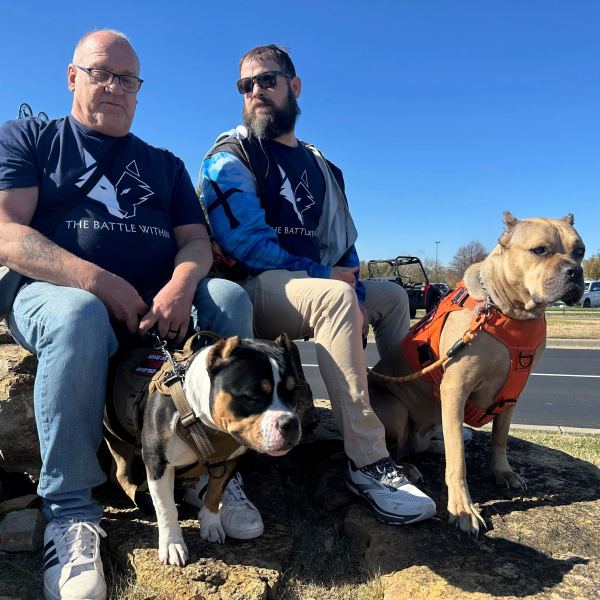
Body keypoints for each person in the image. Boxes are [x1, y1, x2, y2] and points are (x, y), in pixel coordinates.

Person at [0, 30, 257, 600]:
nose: (116, 87)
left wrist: (182, 285)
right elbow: (7, 232)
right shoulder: (30, 139)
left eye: (128, 79)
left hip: (155, 304)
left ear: (140, 90)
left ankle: (217, 474)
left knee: (232, 300)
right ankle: (69, 511)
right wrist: (99, 281)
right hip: (54, 295)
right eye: (102, 73)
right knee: (78, 315)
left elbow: (194, 242)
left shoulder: (163, 165)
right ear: (73, 77)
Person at [200, 44, 437, 528]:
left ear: (294, 85)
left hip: (316, 283)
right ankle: (368, 462)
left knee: (392, 297)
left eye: (267, 80)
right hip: (254, 287)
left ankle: (418, 417)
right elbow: (243, 241)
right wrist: (329, 278)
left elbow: (342, 240)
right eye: (245, 86)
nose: (256, 92)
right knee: (334, 298)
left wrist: (350, 275)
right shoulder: (231, 154)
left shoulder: (322, 165)